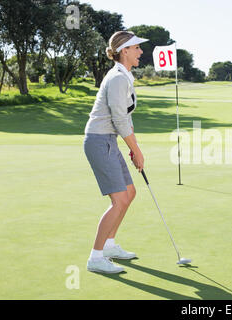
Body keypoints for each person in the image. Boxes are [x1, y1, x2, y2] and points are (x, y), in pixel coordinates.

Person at [84, 31, 148, 274]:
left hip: (108, 140)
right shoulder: (118, 78)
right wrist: (136, 150)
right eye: (136, 48)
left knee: (129, 193)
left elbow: (125, 118)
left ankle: (109, 246)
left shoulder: (124, 76)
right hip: (99, 141)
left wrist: (133, 148)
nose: (140, 52)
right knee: (119, 200)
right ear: (125, 51)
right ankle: (96, 257)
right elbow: (120, 120)